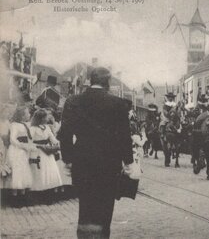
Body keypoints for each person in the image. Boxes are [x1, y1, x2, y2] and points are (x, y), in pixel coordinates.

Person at [58, 67, 134, 238]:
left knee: (85, 206)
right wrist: (129, 162)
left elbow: (65, 134)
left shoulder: (73, 101)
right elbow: (124, 137)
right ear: (107, 82)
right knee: (105, 208)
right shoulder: (119, 104)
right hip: (109, 164)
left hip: (82, 163)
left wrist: (68, 160)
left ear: (90, 81)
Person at [29, 109, 63, 195]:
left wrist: (58, 144)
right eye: (45, 116)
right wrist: (36, 147)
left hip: (47, 151)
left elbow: (53, 139)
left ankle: (49, 192)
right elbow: (29, 141)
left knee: (50, 170)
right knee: (40, 172)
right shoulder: (33, 129)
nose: (47, 118)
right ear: (41, 118)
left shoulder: (47, 127)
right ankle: (38, 193)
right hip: (38, 151)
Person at [6, 106, 35, 206]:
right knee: (17, 173)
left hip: (23, 151)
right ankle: (15, 198)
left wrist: (29, 146)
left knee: (24, 172)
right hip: (17, 151)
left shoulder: (25, 125)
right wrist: (22, 145)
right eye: (27, 113)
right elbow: (12, 139)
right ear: (22, 115)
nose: (29, 115)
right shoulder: (14, 125)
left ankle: (22, 197)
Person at [160, 92, 177, 166]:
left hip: (174, 119)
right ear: (168, 97)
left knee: (180, 125)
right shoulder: (165, 104)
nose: (170, 98)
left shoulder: (175, 104)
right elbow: (164, 112)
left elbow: (177, 111)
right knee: (162, 124)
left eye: (171, 97)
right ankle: (162, 134)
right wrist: (169, 115)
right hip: (167, 118)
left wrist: (175, 115)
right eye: (169, 97)